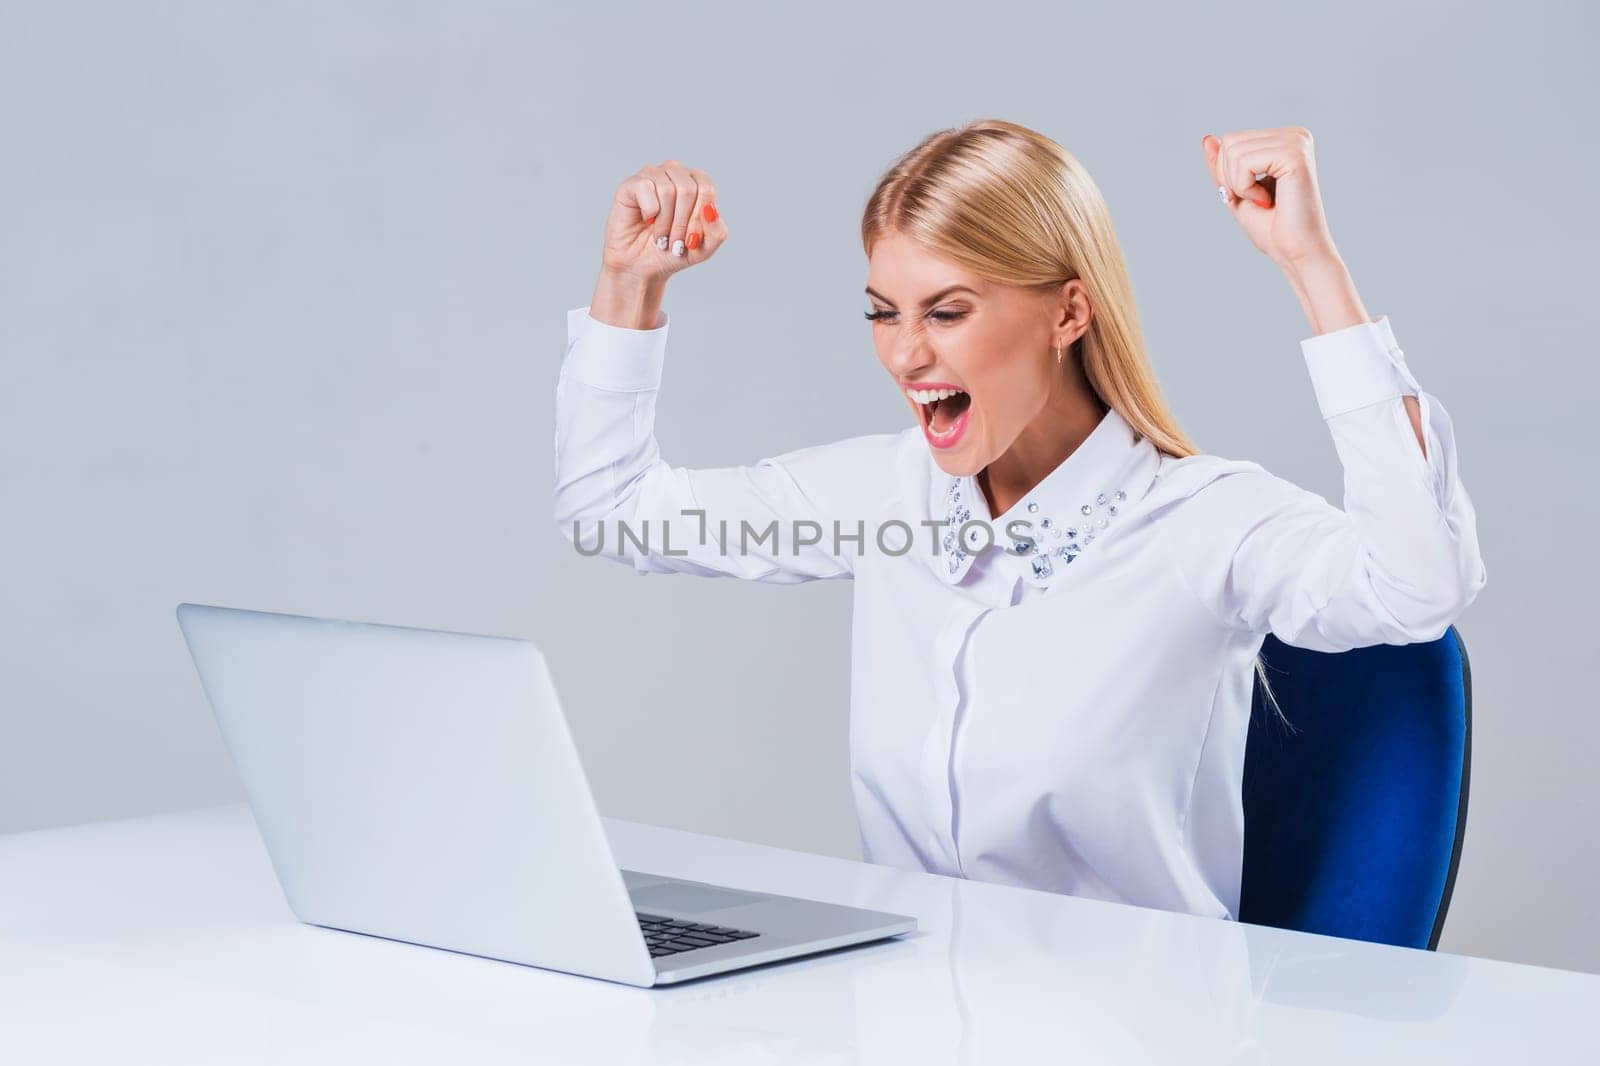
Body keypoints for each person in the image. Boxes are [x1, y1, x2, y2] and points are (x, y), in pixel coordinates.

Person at [552, 119, 1486, 921]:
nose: (907, 354)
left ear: (1068, 311)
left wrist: (1309, 265)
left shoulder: (1200, 524)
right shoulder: (885, 503)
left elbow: (1416, 590)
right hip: (902, 1014)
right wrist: (629, 286)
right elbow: (615, 514)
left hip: (1139, 1029)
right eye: (883, 312)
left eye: (948, 312)